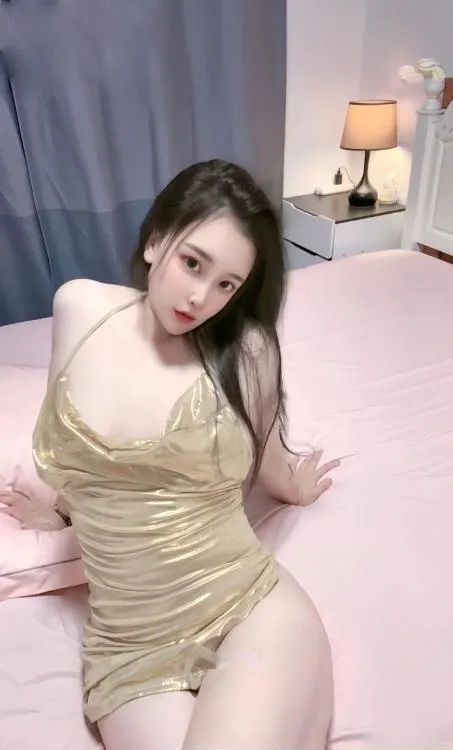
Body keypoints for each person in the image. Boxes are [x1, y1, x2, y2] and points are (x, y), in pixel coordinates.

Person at [2, 160, 339, 750]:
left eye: (227, 284)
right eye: (193, 263)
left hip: (246, 607)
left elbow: (265, 455)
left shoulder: (248, 350)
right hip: (130, 648)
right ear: (156, 241)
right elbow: (72, 442)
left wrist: (295, 485)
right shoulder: (79, 308)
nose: (201, 297)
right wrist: (56, 511)